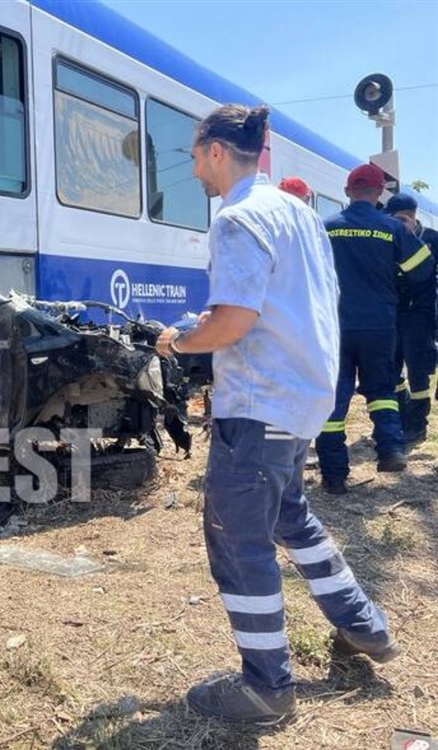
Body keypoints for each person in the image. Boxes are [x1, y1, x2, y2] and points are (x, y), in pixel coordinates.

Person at [156, 104, 399, 725]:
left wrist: (179, 342)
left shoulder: (236, 217)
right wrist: (203, 327)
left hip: (258, 403)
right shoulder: (299, 213)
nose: (193, 168)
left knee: (237, 541)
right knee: (293, 518)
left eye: (192, 154)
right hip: (303, 398)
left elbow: (236, 320)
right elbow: (295, 301)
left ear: (215, 150)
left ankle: (267, 689)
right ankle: (365, 627)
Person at [314, 165, 431, 494]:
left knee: (334, 399)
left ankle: (334, 475)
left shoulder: (326, 227)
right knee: (382, 390)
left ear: (347, 191)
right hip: (380, 324)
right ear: (380, 194)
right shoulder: (392, 228)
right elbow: (421, 271)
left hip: (335, 326)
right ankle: (391, 449)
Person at [384, 193, 437, 443]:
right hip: (392, 312)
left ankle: (418, 423)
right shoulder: (388, 238)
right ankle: (402, 417)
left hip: (420, 315)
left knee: (419, 372)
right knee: (392, 370)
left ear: (412, 216)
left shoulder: (432, 239)